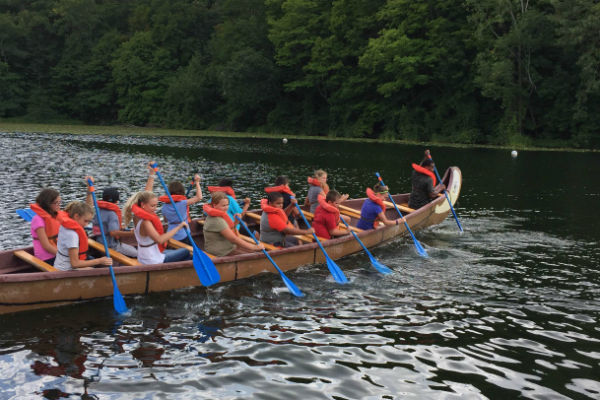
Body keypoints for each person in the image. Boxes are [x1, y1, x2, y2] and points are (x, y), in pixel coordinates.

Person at [124, 191, 192, 265]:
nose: (155, 209)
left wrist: (151, 178)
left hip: (145, 256)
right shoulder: (146, 222)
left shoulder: (136, 217)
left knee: (175, 251)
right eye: (153, 206)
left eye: (156, 205)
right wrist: (179, 227)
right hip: (151, 260)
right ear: (143, 205)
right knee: (186, 251)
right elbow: (160, 240)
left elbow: (146, 194)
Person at [85, 178, 138, 258]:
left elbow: (88, 205)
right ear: (116, 202)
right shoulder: (112, 214)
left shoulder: (99, 211)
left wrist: (89, 188)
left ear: (103, 199)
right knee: (137, 254)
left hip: (100, 242)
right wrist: (131, 233)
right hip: (111, 246)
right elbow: (113, 233)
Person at [53, 201, 113, 271]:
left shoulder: (64, 226)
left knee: (95, 267)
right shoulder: (72, 235)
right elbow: (75, 264)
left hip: (60, 265)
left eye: (89, 222)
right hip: (66, 270)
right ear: (76, 216)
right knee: (99, 272)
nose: (87, 225)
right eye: (85, 221)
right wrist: (100, 261)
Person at [203, 191, 264, 257]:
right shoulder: (218, 220)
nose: (226, 207)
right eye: (223, 205)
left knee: (254, 252)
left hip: (227, 247)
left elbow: (231, 230)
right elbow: (233, 239)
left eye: (227, 205)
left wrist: (236, 222)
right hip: (221, 252)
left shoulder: (217, 216)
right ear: (214, 205)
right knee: (255, 254)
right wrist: (253, 247)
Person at [159, 174, 203, 245]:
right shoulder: (183, 203)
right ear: (181, 191)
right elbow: (199, 197)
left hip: (171, 235)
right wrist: (197, 182)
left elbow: (166, 220)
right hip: (183, 234)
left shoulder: (164, 207)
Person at [30, 188, 64, 265]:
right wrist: (64, 255)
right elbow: (46, 246)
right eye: (56, 203)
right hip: (47, 258)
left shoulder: (55, 215)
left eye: (60, 202)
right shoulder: (38, 220)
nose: (59, 205)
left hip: (57, 253)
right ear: (47, 204)